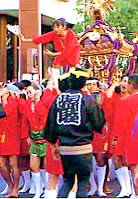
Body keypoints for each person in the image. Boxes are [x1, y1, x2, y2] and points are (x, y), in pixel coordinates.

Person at [44, 67, 106, 198]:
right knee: (82, 182)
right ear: (83, 83)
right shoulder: (88, 100)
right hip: (83, 148)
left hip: (65, 149)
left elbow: (51, 124)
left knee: (67, 181)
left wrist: (54, 144)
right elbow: (98, 123)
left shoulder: (59, 99)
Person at [113, 75, 138, 198]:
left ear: (131, 86)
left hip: (132, 139)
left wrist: (116, 139)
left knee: (134, 168)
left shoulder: (128, 101)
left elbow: (122, 123)